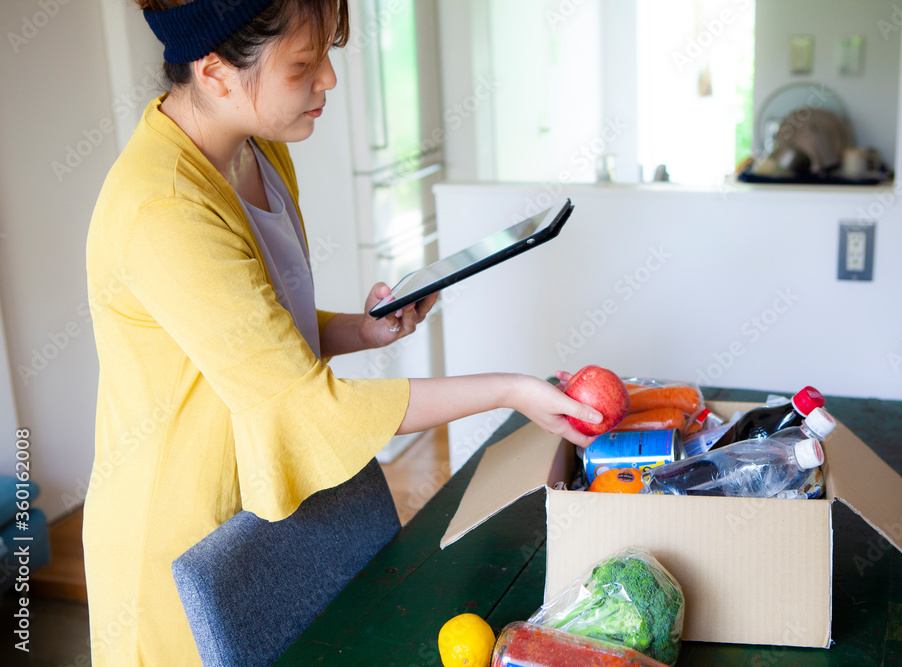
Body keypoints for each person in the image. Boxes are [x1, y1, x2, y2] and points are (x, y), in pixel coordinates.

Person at [83, 0, 603, 663]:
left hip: (257, 509)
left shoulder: (258, 150)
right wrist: (510, 388)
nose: (328, 78)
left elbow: (253, 331)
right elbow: (302, 403)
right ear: (214, 71)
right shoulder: (163, 208)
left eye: (326, 53)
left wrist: (362, 329)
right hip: (180, 532)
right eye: (304, 63)